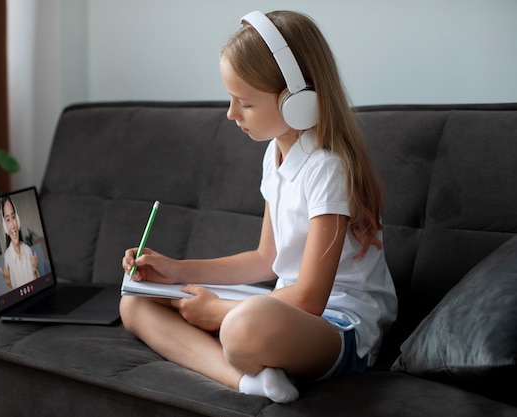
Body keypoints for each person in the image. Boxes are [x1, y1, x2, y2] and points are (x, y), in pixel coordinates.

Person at [120, 10, 397, 403]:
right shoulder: (275, 155)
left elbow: (311, 299)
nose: (231, 113)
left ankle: (246, 348)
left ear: (296, 101)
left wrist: (218, 311)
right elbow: (266, 258)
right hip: (283, 311)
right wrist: (173, 272)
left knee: (241, 327)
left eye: (245, 102)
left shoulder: (328, 169)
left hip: (337, 325)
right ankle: (251, 382)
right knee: (134, 303)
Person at [0, 195, 39, 291]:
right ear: (5, 226)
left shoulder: (28, 249)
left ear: (18, 220)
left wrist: (34, 272)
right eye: (8, 220)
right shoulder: (7, 256)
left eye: (13, 217)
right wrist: (9, 285)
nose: (12, 225)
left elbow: (38, 287)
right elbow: (14, 297)